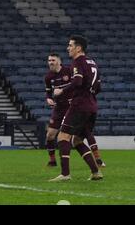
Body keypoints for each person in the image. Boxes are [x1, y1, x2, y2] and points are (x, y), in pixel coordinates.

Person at [50, 35, 103, 182]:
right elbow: (98, 87)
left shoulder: (77, 61)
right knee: (77, 141)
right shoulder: (93, 63)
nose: (68, 48)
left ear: (78, 48)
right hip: (92, 106)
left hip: (79, 105)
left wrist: (62, 90)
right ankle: (95, 172)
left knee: (62, 137)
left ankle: (65, 174)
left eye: (70, 45)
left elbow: (77, 81)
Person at [45, 54, 105, 167]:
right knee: (50, 135)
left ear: (59, 61)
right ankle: (52, 161)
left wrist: (64, 91)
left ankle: (98, 159)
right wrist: (48, 98)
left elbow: (77, 83)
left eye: (53, 60)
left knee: (84, 133)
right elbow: (48, 91)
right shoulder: (48, 77)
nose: (50, 62)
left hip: (72, 106)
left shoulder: (69, 70)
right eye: (49, 60)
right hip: (58, 108)